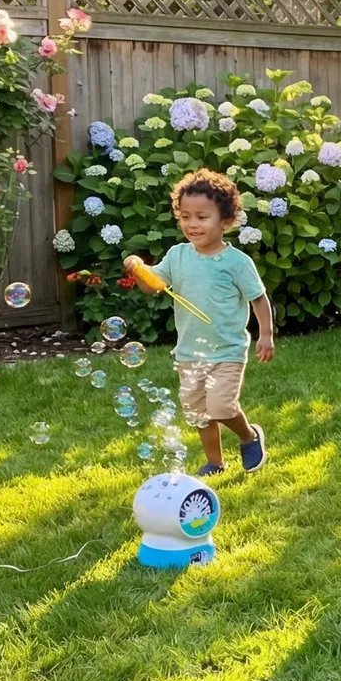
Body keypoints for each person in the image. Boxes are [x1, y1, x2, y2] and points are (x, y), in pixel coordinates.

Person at [125, 168, 275, 477]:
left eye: (202, 217)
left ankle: (248, 436)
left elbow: (258, 298)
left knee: (220, 407)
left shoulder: (237, 263)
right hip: (190, 352)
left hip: (227, 351)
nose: (192, 224)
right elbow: (153, 285)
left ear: (226, 221)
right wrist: (138, 269)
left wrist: (266, 335)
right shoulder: (178, 255)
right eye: (185, 216)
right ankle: (215, 462)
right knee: (199, 414)